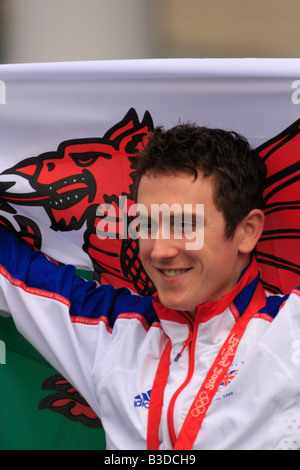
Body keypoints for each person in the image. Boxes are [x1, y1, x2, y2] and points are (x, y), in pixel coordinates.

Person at [0, 123, 299, 450]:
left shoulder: (289, 330)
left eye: (184, 224)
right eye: (146, 224)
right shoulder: (112, 332)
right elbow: (13, 267)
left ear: (247, 231)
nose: (159, 250)